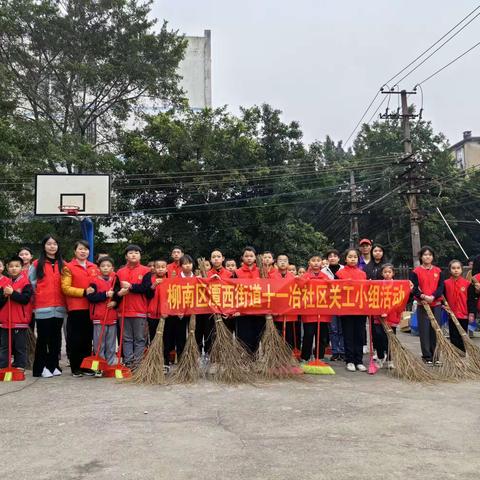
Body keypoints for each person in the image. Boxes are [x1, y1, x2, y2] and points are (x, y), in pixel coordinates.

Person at [61, 240, 99, 377]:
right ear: (75, 251)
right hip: (76, 308)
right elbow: (65, 288)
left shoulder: (94, 267)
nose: (83, 252)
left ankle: (86, 366)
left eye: (86, 249)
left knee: (88, 338)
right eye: (80, 249)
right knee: (75, 338)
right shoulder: (68, 267)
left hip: (93, 307)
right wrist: (83, 292)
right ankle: (76, 367)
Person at [30, 235, 66, 378]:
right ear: (44, 246)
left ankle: (53, 365)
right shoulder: (36, 264)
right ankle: (39, 368)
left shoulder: (63, 264)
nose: (52, 246)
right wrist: (38, 297)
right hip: (43, 307)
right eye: (49, 244)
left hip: (59, 307)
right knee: (43, 338)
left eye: (55, 244)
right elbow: (31, 283)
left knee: (56, 338)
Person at [116, 244, 153, 369]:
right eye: (131, 253)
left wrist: (131, 287)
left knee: (139, 339)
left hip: (139, 310)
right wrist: (119, 293)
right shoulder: (119, 272)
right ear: (126, 256)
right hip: (123, 311)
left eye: (136, 253)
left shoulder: (146, 271)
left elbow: (146, 289)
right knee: (126, 339)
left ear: (140, 256)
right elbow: (115, 290)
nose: (134, 255)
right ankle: (128, 363)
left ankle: (137, 364)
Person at [86, 256, 122, 375]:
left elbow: (119, 295)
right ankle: (99, 366)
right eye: (103, 266)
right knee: (99, 343)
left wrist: (115, 302)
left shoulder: (115, 280)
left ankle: (110, 364)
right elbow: (91, 297)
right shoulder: (94, 281)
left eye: (108, 266)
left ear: (112, 268)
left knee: (111, 343)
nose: (105, 268)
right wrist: (106, 294)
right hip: (99, 316)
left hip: (112, 316)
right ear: (98, 268)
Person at [409, 246, 445, 365]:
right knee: (424, 331)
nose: (427, 256)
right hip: (422, 304)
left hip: (436, 304)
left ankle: (436, 356)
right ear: (421, 257)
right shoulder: (416, 272)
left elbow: (441, 287)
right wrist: (423, 296)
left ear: (433, 257)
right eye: (425, 254)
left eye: (429, 254)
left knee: (436, 330)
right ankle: (427, 356)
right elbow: (413, 288)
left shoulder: (438, 271)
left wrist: (433, 297)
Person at [336, 248, 368, 372]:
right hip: (346, 308)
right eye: (350, 257)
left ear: (358, 259)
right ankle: (349, 360)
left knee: (359, 334)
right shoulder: (340, 273)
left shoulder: (363, 273)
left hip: (360, 308)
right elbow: (335, 290)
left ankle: (359, 360)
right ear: (345, 259)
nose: (352, 259)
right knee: (348, 334)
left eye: (355, 257)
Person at [0, 257, 33, 372]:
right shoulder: (4, 282)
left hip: (20, 321)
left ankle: (20, 366)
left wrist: (12, 293)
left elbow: (25, 299)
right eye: (11, 266)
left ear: (21, 267)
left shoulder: (26, 283)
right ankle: (3, 366)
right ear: (7, 269)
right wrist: (4, 295)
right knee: (4, 346)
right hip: (5, 321)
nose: (14, 269)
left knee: (19, 346)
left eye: (17, 266)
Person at [300, 255, 330, 361]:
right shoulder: (304, 277)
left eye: (318, 261)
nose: (316, 263)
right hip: (309, 312)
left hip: (322, 312)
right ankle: (305, 357)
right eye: (313, 261)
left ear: (322, 263)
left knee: (321, 336)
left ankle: (319, 357)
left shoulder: (326, 277)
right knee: (308, 335)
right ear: (309, 263)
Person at [235, 247, 263, 354]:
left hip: (259, 310)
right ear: (242, 258)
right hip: (243, 311)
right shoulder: (237, 273)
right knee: (243, 336)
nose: (249, 258)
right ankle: (245, 360)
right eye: (246, 256)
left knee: (257, 335)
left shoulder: (262, 272)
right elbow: (233, 291)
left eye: (251, 256)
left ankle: (255, 359)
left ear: (255, 257)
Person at [444, 259, 475, 352]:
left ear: (461, 270)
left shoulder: (467, 284)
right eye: (453, 268)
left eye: (458, 268)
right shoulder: (446, 283)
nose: (456, 270)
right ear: (450, 270)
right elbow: (443, 298)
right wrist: (444, 306)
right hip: (451, 314)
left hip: (464, 314)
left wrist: (471, 313)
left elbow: (471, 300)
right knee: (453, 335)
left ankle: (462, 352)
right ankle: (455, 353)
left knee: (462, 335)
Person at [372, 264, 400, 369]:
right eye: (385, 272)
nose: (387, 274)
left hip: (391, 316)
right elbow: (374, 298)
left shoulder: (397, 285)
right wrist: (380, 311)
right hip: (379, 316)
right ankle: (379, 357)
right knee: (378, 336)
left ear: (393, 273)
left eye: (389, 272)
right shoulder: (378, 285)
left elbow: (399, 301)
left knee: (390, 339)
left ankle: (390, 359)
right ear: (382, 273)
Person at [322, 249, 345, 361]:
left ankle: (343, 350)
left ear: (339, 258)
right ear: (327, 259)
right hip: (330, 302)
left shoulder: (344, 269)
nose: (332, 258)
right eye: (330, 256)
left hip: (344, 303)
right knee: (333, 328)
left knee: (343, 328)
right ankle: (335, 351)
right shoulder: (323, 271)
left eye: (335, 256)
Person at [274, 254, 297, 349]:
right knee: (277, 335)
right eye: (280, 260)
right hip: (276, 312)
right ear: (276, 263)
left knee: (289, 335)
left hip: (289, 311)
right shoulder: (270, 276)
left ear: (288, 263)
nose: (282, 262)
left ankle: (288, 356)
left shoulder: (294, 278)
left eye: (285, 260)